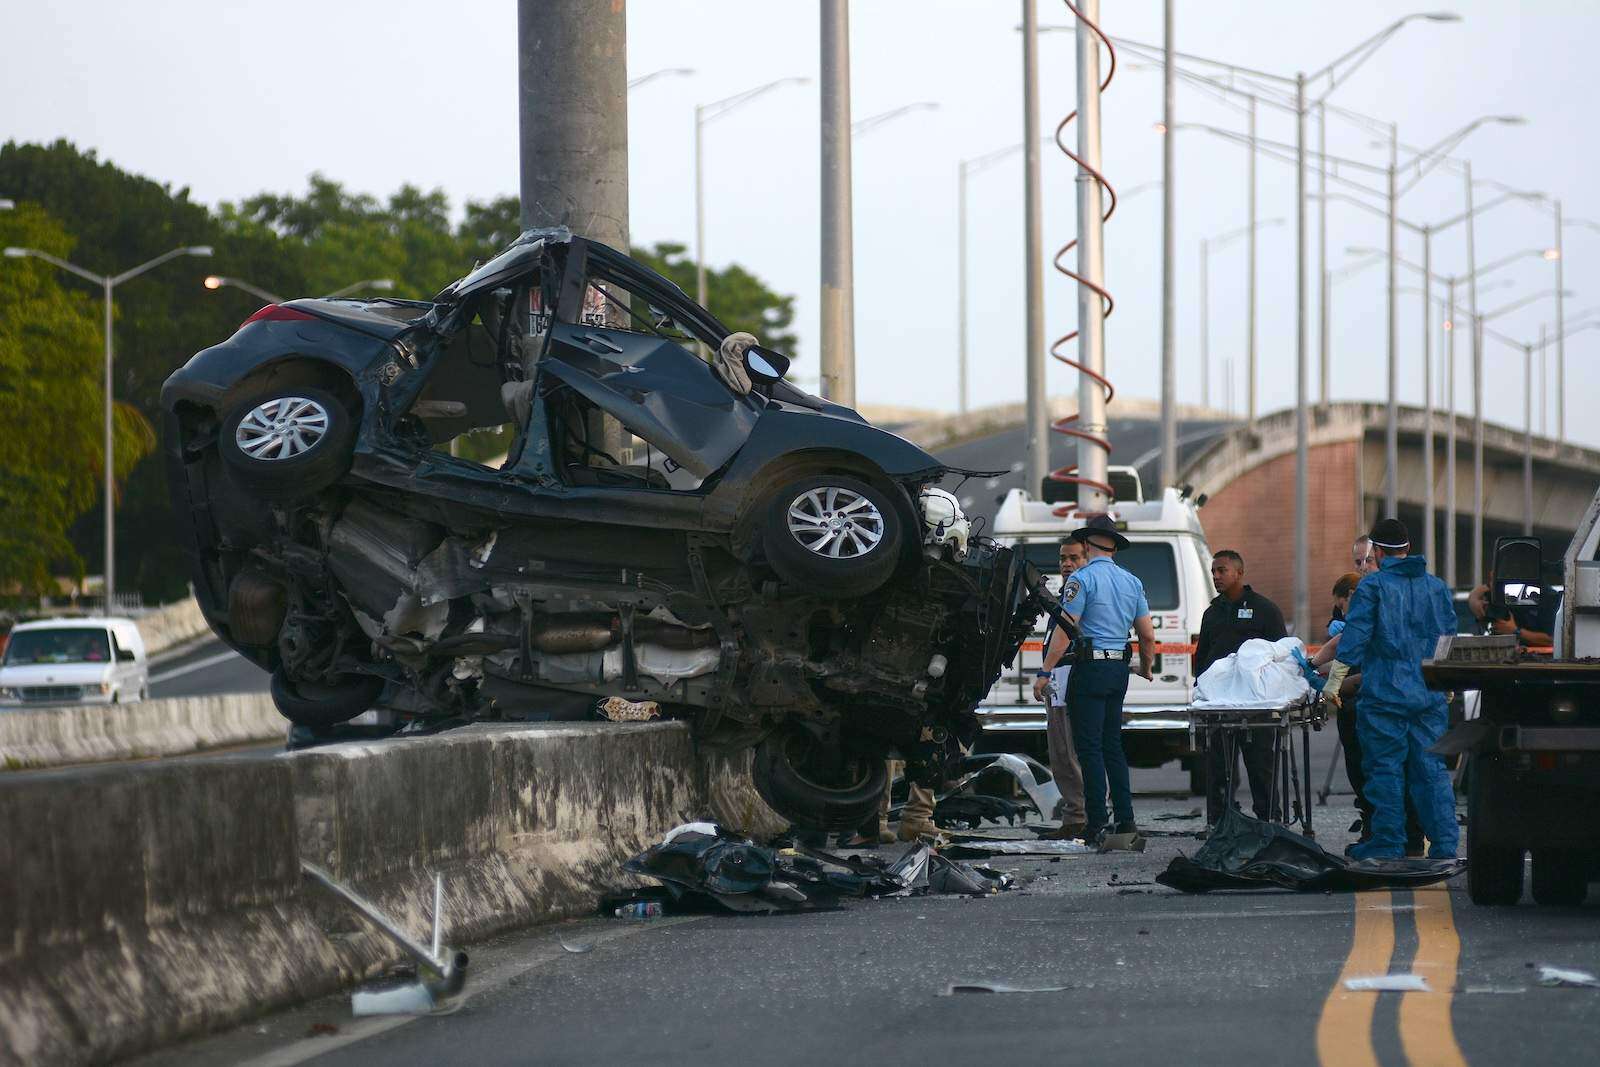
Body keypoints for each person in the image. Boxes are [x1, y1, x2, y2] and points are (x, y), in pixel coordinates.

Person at [1325, 518, 1459, 860]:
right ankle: (1444, 844)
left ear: (1379, 552)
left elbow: (1355, 639)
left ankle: (1388, 842)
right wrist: (1447, 685)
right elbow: (1448, 639)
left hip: (1385, 695)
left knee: (1385, 770)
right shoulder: (1437, 587)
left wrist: (1334, 682)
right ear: (1408, 549)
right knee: (1431, 771)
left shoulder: (1373, 588)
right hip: (1428, 694)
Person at [1059, 515, 1157, 843]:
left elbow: (1066, 627)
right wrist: (1146, 667)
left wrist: (1045, 671)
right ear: (1113, 546)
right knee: (1112, 745)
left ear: (1087, 544)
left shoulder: (1082, 579)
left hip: (1089, 669)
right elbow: (1146, 635)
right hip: (1119, 670)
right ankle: (1126, 821)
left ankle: (1096, 825)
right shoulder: (1132, 581)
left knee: (1089, 749)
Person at [1194, 550, 1288, 826]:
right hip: (1220, 705)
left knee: (1261, 766)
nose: (1216, 576)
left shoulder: (1265, 610)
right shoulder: (1212, 613)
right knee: (1218, 768)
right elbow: (1202, 658)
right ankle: (1220, 823)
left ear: (1239, 572)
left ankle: (1270, 821)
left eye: (1222, 570)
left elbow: (1280, 654)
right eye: (1213, 572)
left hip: (1255, 705)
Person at [1032, 539, 1088, 839]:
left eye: (1073, 558)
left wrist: (1044, 672)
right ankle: (1073, 818)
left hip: (1073, 684)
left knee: (1072, 753)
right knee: (1059, 755)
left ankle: (1085, 816)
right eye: (1063, 559)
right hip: (1057, 688)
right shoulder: (1064, 598)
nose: (1066, 564)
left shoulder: (1082, 594)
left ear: (1086, 559)